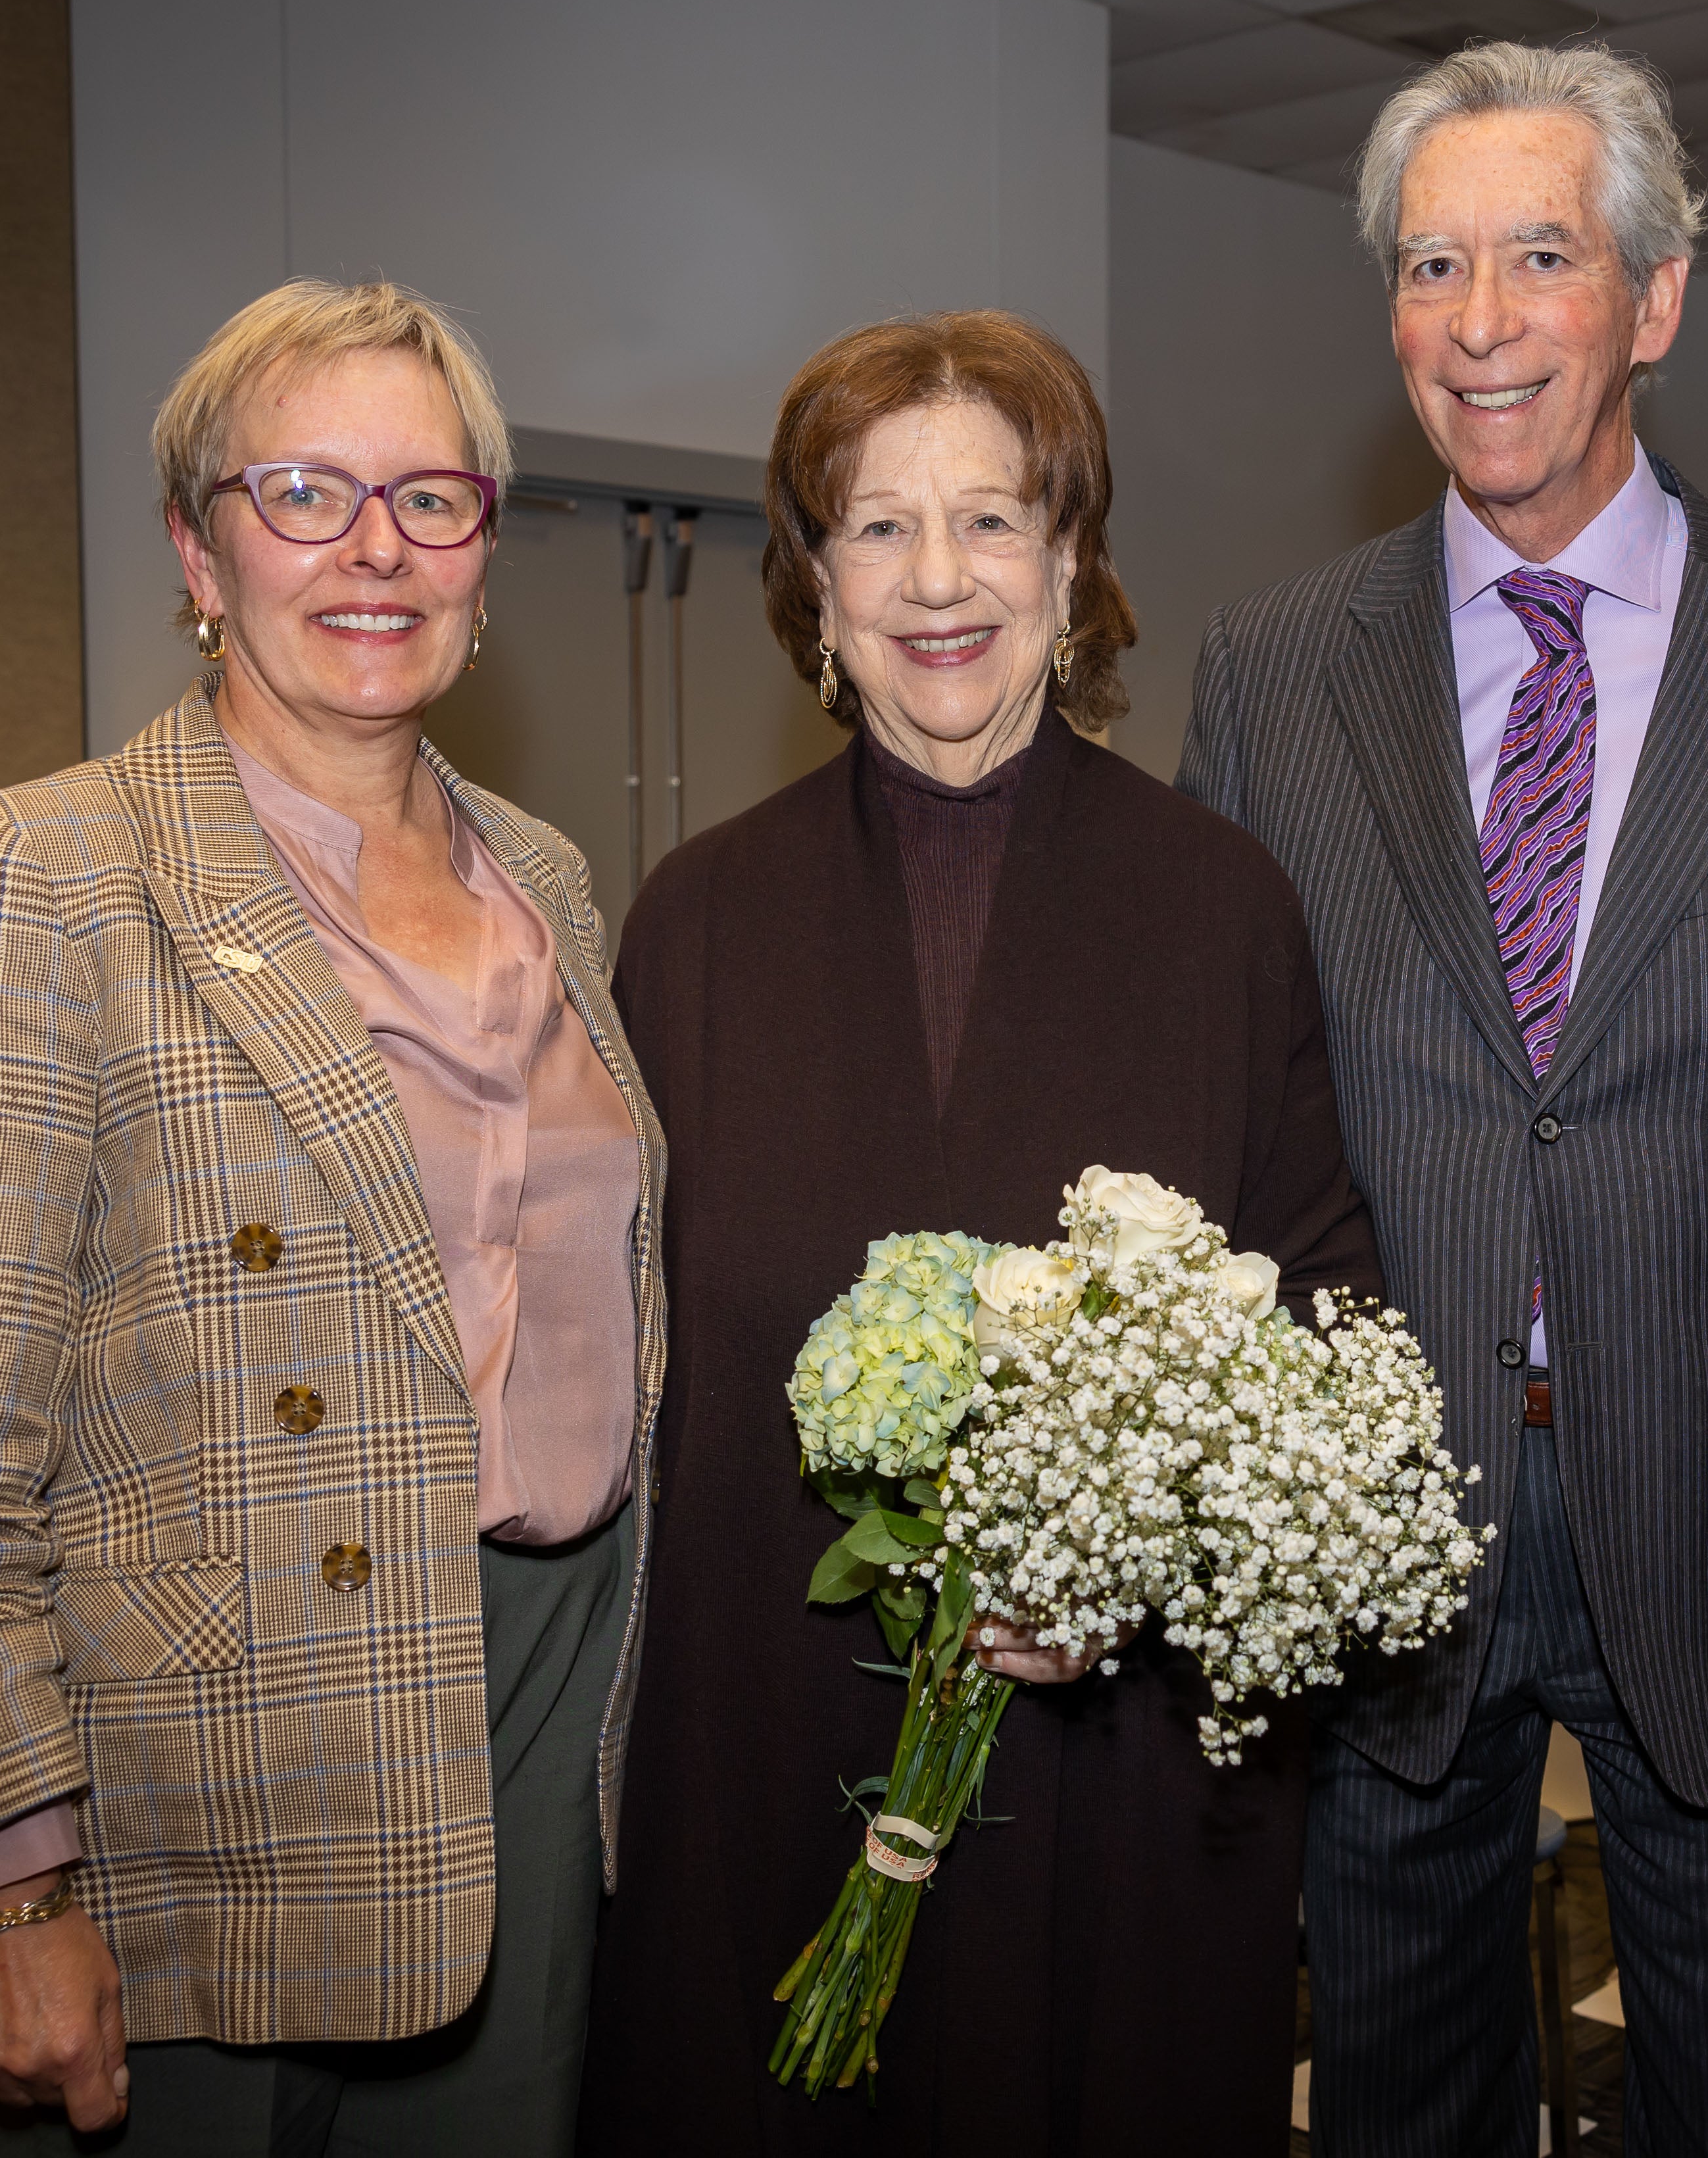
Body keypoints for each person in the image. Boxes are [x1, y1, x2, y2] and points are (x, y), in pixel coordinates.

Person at [0, 279, 667, 2156]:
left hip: (540, 1706)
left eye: (429, 499)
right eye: (302, 492)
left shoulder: (549, 876)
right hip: (227, 1760)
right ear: (198, 551)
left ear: (480, 550)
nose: (374, 548)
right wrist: (5, 1887)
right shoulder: (33, 876)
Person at [1178, 41, 1708, 2156]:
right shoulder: (1274, 669)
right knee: (1400, 2086)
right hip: (1382, 1509)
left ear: (1656, 299)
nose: (1482, 320)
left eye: (1538, 256)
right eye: (1433, 266)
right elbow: (1211, 1094)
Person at [582, 309, 1380, 2156]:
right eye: (876, 528)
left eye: (994, 521)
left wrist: (1131, 1571)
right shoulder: (693, 925)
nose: (937, 581)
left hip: (1119, 1760)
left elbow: (1319, 1306)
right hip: (766, 1738)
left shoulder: (1218, 905)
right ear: (811, 580)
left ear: (1073, 559)